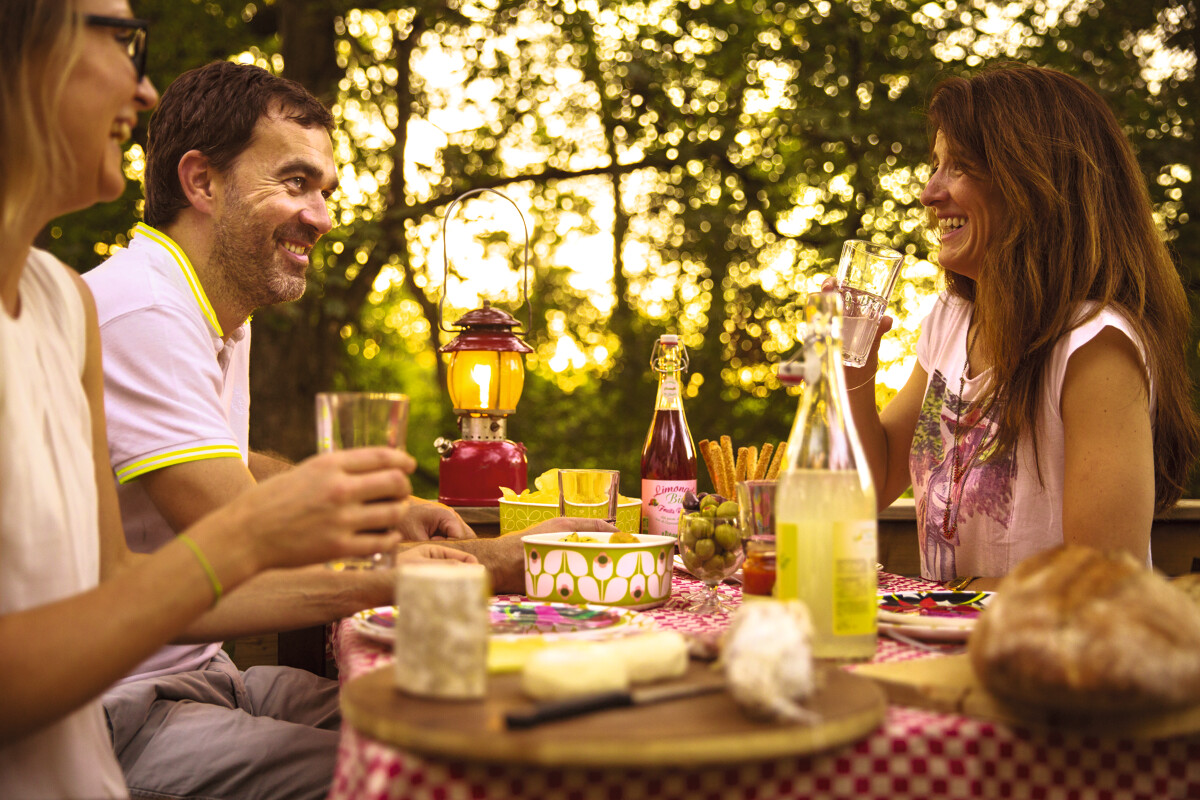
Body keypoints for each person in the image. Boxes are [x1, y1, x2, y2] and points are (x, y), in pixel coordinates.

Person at [81, 58, 611, 798]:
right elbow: (247, 544)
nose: (324, 217)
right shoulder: (146, 310)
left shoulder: (208, 308)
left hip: (204, 674)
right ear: (201, 182)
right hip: (115, 715)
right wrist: (478, 566)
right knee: (438, 775)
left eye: (326, 191)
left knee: (470, 724)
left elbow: (230, 474)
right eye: (295, 182)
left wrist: (378, 510)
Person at [0, 2, 477, 798]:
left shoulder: (60, 302)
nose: (144, 88)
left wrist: (362, 511)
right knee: (422, 772)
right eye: (122, 40)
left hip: (147, 705)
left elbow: (117, 570)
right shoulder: (140, 306)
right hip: (123, 717)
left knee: (445, 727)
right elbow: (210, 547)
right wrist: (501, 564)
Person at [847, 64, 1199, 590]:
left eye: (958, 167)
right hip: (953, 647)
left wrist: (935, 602)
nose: (928, 192)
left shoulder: (1094, 344)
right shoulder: (950, 320)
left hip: (1057, 663)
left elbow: (1100, 582)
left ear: (1036, 184)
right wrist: (852, 364)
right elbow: (868, 489)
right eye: (934, 165)